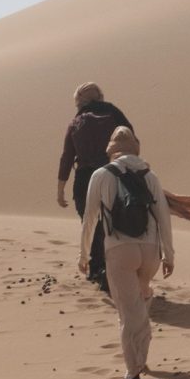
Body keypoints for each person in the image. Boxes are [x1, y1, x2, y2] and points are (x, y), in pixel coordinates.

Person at [79, 126, 175, 379]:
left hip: (120, 249)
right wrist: (169, 254)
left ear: (112, 150)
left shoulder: (101, 175)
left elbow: (90, 217)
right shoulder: (149, 175)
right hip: (151, 250)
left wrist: (84, 253)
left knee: (128, 310)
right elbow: (164, 217)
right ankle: (141, 353)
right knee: (142, 296)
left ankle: (133, 369)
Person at [57, 83, 134, 288]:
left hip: (84, 180)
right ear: (99, 97)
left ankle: (97, 268)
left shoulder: (76, 122)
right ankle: (114, 268)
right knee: (114, 223)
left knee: (90, 223)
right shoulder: (113, 113)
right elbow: (131, 138)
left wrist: (60, 189)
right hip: (113, 175)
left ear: (79, 102)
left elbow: (66, 157)